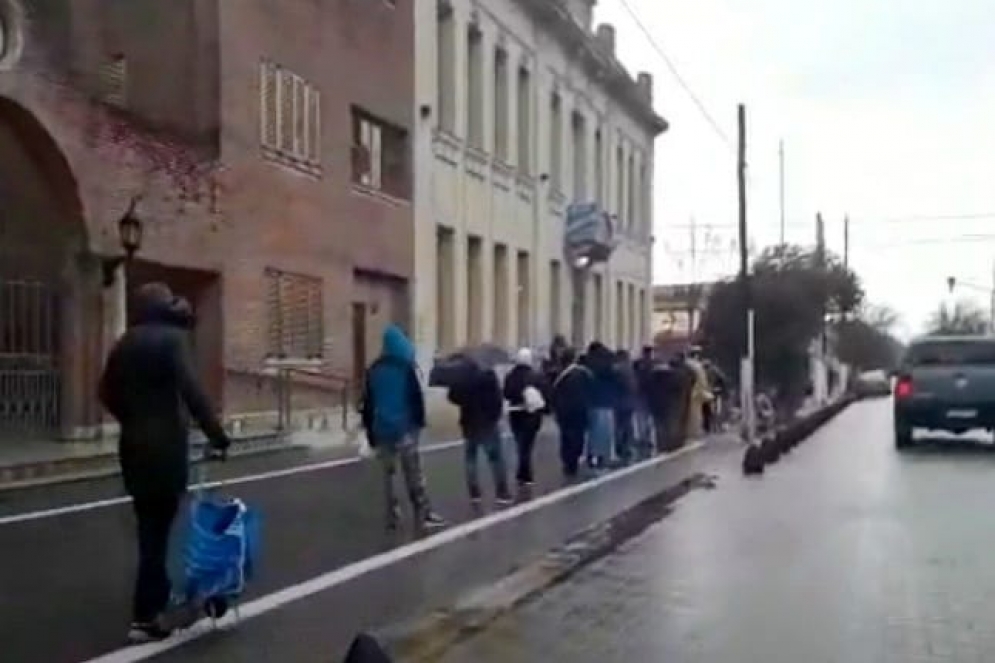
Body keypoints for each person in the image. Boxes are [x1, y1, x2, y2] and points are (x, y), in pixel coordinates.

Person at [98, 282, 231, 643]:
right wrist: (217, 436)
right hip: (166, 449)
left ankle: (154, 596)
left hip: (133, 448)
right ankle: (146, 614)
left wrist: (132, 417)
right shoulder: (173, 340)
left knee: (148, 528)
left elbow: (104, 391)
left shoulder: (125, 343)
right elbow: (193, 392)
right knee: (158, 532)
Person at [361, 325, 446, 532]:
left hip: (382, 429)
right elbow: (415, 399)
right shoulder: (405, 367)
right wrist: (419, 423)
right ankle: (423, 513)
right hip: (405, 429)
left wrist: (370, 432)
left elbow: (368, 404)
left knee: (389, 475)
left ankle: (392, 515)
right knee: (414, 472)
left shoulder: (374, 370)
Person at [447, 359, 512, 507]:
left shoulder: (463, 377)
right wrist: (495, 416)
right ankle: (502, 492)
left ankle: (474, 492)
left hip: (469, 422)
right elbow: (497, 398)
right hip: (488, 422)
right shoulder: (489, 375)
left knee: (471, 458)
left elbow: (452, 397)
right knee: (495, 458)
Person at [503, 347, 546, 490]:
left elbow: (506, 393)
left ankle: (522, 472)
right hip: (532, 414)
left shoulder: (510, 376)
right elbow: (545, 392)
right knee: (527, 444)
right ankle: (525, 474)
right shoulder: (536, 375)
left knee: (520, 442)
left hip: (515, 412)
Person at [550, 347, 593, 479]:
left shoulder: (560, 374)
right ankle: (573, 460)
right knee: (577, 437)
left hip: (565, 412)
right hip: (580, 410)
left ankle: (568, 462)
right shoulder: (584, 373)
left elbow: (554, 393)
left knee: (566, 437)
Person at [584, 342, 617, 470]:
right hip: (606, 401)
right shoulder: (608, 362)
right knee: (605, 432)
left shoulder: (590, 363)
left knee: (593, 432)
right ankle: (603, 456)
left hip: (593, 401)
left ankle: (592, 455)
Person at [612, 349, 638, 464]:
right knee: (627, 425)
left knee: (619, 426)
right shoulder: (630, 370)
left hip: (619, 402)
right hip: (629, 402)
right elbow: (634, 386)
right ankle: (627, 447)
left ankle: (620, 447)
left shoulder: (617, 370)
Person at [633, 346, 657, 457]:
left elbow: (635, 378)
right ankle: (646, 439)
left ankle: (643, 438)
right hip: (650, 395)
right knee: (647, 419)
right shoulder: (654, 364)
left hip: (641, 394)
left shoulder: (638, 364)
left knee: (641, 418)